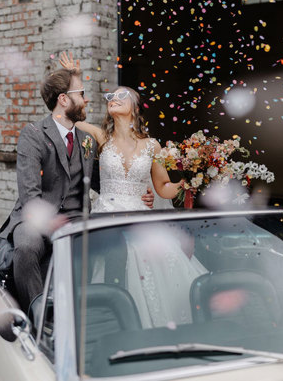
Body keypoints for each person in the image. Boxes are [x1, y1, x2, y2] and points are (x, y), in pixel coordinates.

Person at [60, 52, 207, 327]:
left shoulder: (152, 145)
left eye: (121, 96)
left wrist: (190, 181)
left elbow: (163, 188)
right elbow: (70, 117)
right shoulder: (101, 137)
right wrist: (75, 77)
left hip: (139, 215)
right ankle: (108, 320)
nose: (113, 99)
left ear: (135, 108)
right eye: (110, 98)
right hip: (107, 216)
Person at [0, 67, 154, 312]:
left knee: (116, 244)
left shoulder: (86, 140)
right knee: (27, 249)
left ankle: (108, 310)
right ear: (64, 99)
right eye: (81, 94)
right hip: (35, 218)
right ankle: (38, 315)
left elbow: (97, 181)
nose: (87, 99)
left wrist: (135, 191)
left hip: (75, 218)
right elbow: (30, 194)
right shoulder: (34, 134)